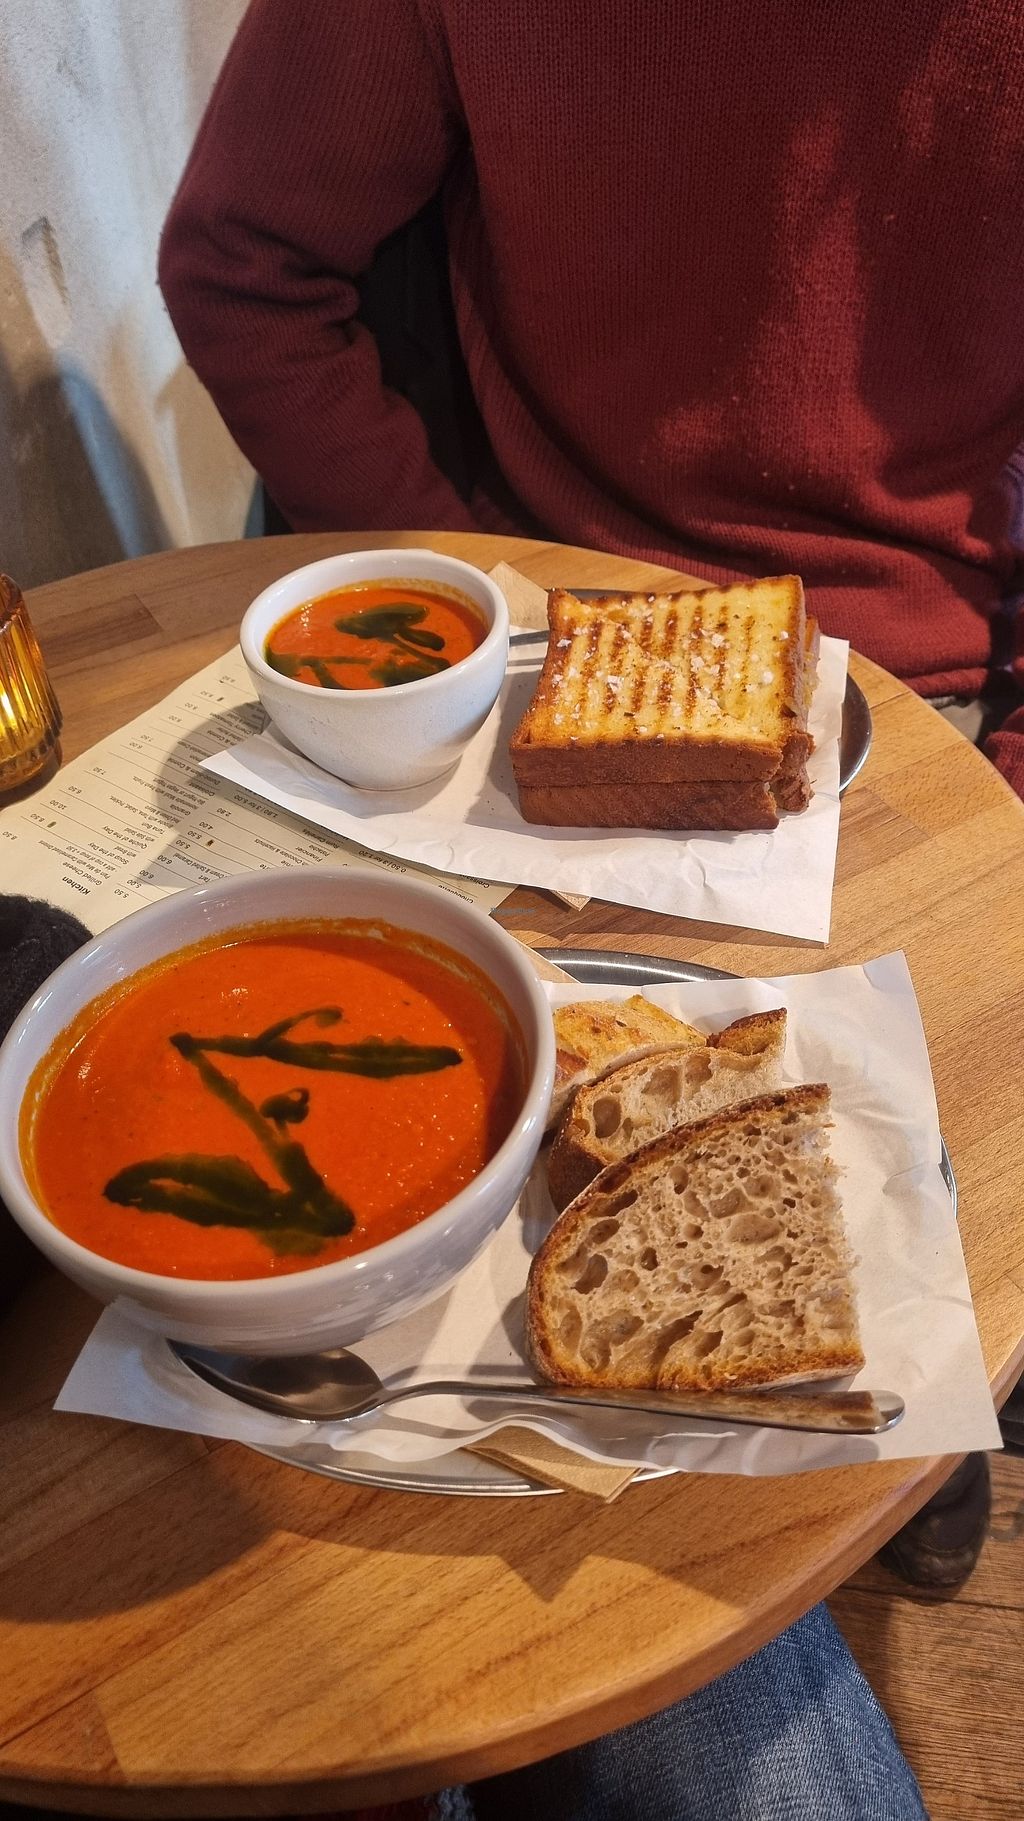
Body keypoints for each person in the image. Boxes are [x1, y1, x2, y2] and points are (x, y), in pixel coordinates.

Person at [158, 0, 1020, 1594]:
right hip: (546, 641)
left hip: (947, 683)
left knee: (906, 1269)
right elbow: (243, 258)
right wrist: (469, 600)